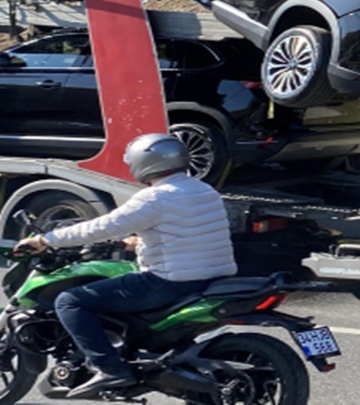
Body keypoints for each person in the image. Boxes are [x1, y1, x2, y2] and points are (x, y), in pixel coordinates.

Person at [15, 133, 237, 398]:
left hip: (170, 281)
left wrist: (45, 239)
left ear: (144, 162)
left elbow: (101, 227)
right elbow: (185, 233)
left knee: (69, 301)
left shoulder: (155, 197)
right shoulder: (202, 189)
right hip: (213, 276)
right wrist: (137, 243)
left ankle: (109, 368)